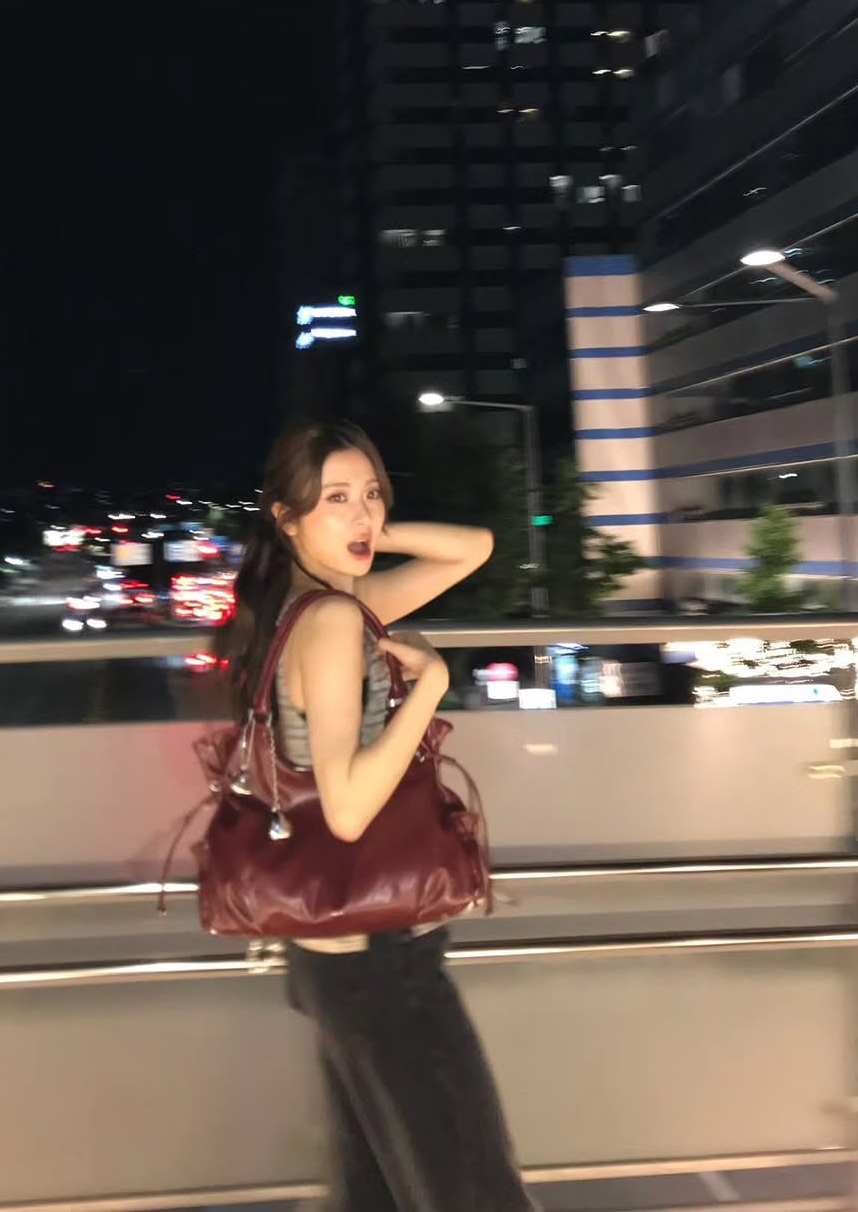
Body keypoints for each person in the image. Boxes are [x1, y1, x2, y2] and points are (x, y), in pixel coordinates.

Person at [225, 419, 536, 1212]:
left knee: (380, 1192)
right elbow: (349, 806)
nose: (363, 512)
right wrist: (431, 687)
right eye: (335, 498)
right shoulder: (333, 622)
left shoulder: (318, 604)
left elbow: (474, 549)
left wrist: (356, 527)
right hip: (380, 956)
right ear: (285, 517)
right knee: (472, 1191)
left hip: (334, 954)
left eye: (372, 494)